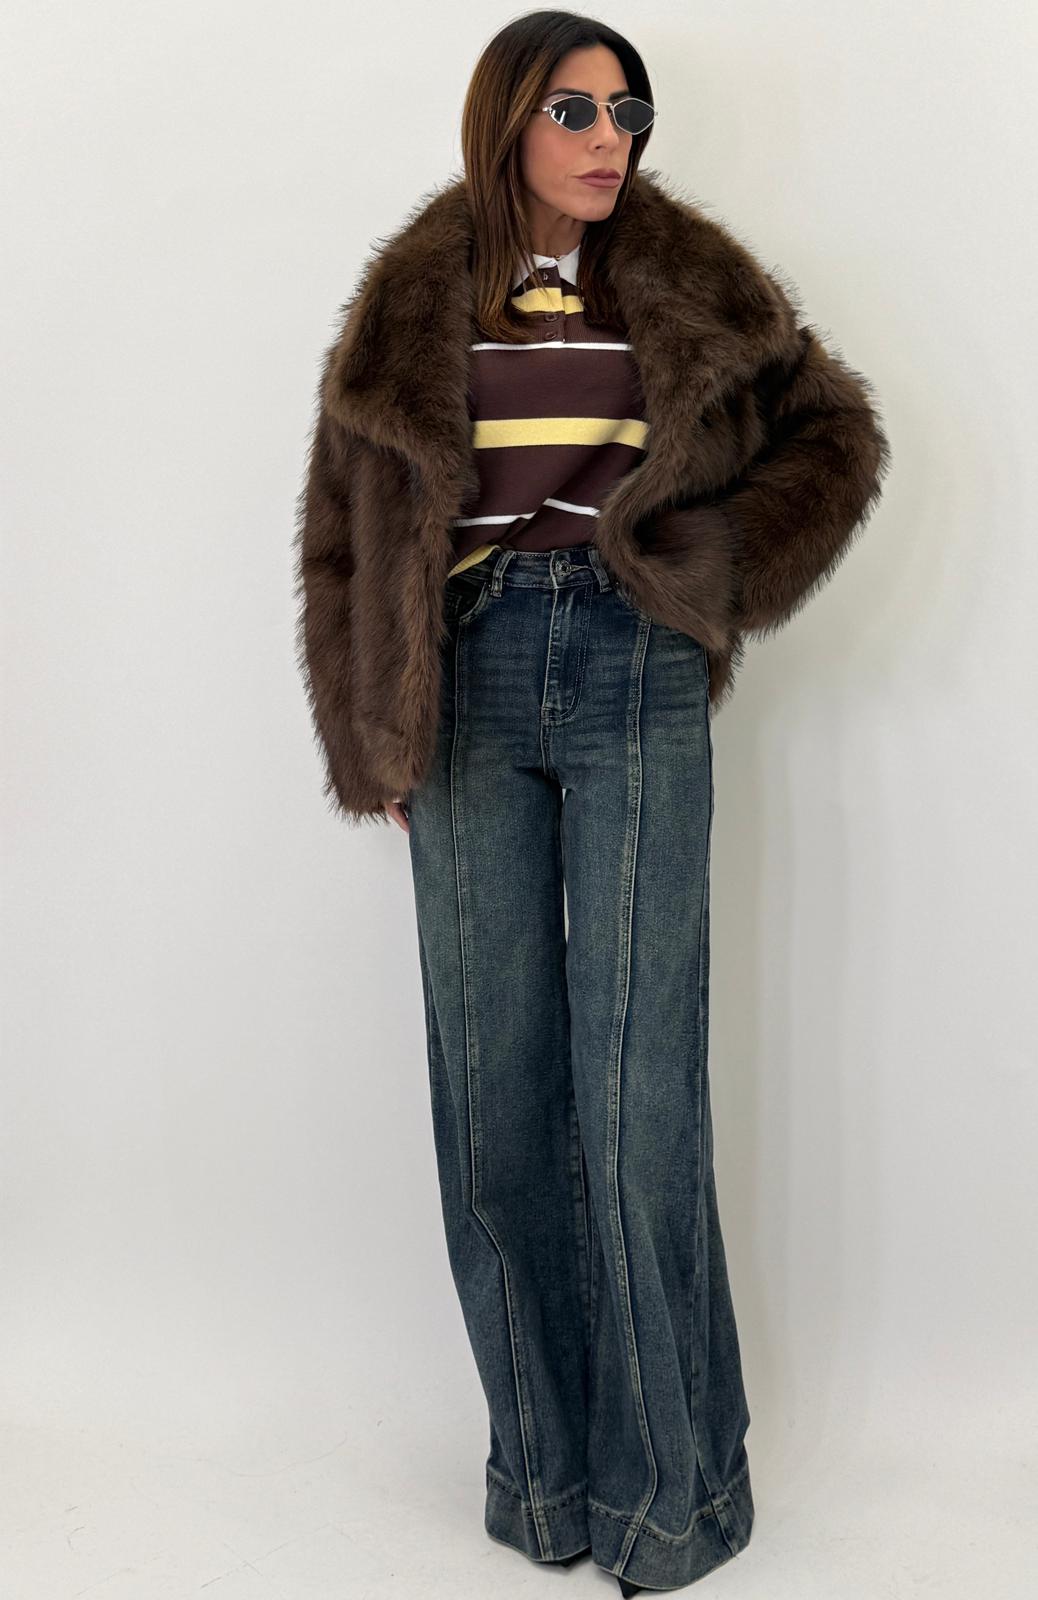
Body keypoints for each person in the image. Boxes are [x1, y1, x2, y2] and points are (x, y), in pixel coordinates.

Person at [294, 13, 891, 1593]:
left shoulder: (692, 281)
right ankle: (546, 1482)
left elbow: (835, 436)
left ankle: (668, 1505)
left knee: (635, 1107)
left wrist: (707, 570)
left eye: (628, 109)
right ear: (505, 120)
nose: (610, 136)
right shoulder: (411, 296)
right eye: (575, 109)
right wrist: (373, 729)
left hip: (631, 670)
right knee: (492, 1103)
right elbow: (343, 530)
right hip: (463, 686)